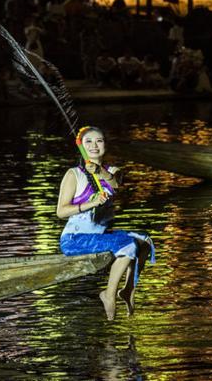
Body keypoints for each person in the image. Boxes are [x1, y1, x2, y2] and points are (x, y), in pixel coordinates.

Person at [56, 127, 155, 320]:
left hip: (99, 235)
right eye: (88, 142)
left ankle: (128, 290)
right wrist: (91, 203)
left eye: (99, 141)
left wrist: (99, 171)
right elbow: (61, 212)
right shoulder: (73, 174)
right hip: (75, 239)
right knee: (127, 244)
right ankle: (108, 295)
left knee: (144, 240)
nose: (94, 145)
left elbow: (115, 183)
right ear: (82, 148)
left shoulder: (113, 171)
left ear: (105, 145)